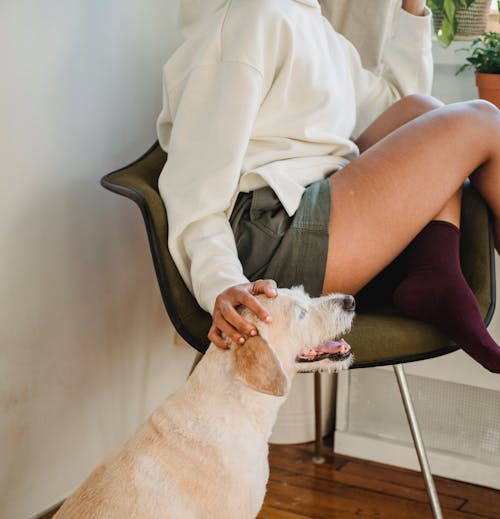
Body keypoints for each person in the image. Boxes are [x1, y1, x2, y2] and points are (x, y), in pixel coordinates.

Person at [157, 0, 500, 372]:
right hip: (268, 246)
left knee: (420, 108)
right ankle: (435, 275)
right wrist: (220, 282)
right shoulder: (252, 17)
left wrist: (412, 9)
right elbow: (194, 183)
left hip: (311, 215)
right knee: (483, 120)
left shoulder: (318, 29)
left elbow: (410, 122)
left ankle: (436, 270)